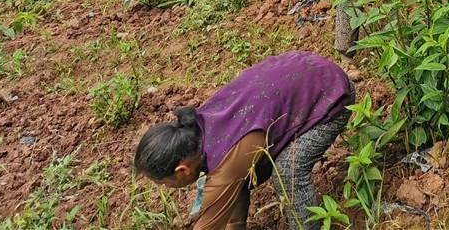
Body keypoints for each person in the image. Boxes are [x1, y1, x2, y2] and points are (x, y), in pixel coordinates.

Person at [134, 51, 355, 230]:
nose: (166, 188)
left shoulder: (224, 162)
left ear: (183, 170)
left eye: (164, 183)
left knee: (288, 171)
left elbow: (210, 221)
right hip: (304, 70)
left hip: (332, 94)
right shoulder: (199, 127)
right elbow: (234, 185)